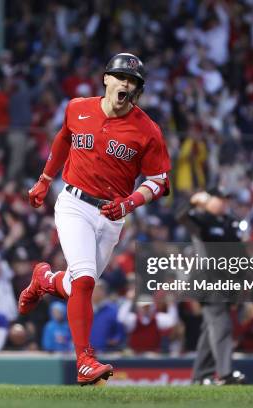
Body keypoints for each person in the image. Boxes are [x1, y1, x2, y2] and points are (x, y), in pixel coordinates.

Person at [18, 53, 171, 385]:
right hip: (74, 203)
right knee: (86, 280)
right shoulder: (78, 107)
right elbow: (63, 139)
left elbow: (159, 180)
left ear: (138, 90)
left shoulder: (147, 130)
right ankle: (84, 360)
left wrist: (129, 204)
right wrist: (45, 180)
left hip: (112, 215)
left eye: (132, 81)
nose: (125, 84)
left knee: (77, 288)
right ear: (106, 79)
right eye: (119, 77)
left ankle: (44, 280)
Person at [177, 188, 246, 385]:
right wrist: (193, 202)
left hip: (226, 283)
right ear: (210, 200)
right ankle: (224, 374)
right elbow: (180, 216)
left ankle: (200, 376)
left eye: (226, 199)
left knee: (211, 330)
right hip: (208, 281)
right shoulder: (201, 219)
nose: (224, 203)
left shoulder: (230, 223)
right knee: (222, 325)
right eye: (220, 199)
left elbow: (240, 255)